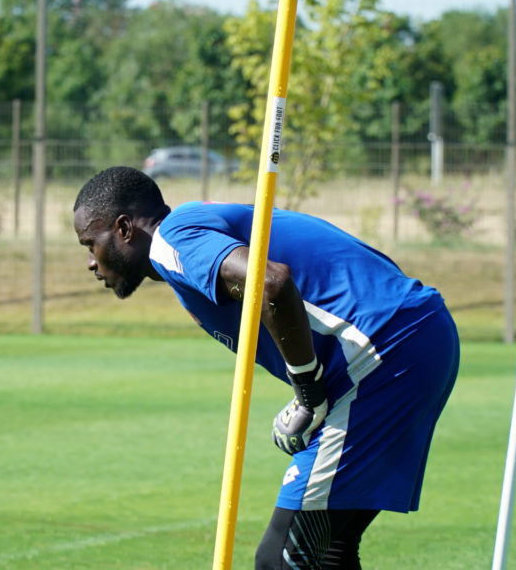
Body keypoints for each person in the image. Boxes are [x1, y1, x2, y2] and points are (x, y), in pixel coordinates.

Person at [72, 166, 460, 570]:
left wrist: (309, 393)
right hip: (409, 337)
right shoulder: (195, 229)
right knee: (325, 551)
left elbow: (269, 282)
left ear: (123, 228)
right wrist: (311, 388)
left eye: (90, 243)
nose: (90, 261)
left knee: (282, 558)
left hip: (386, 350)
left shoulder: (173, 241)